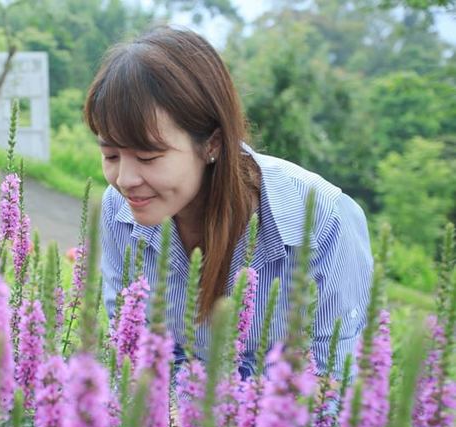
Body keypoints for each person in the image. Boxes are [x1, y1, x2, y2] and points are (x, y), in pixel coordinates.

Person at [84, 26, 374, 381]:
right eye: (111, 154)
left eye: (147, 156)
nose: (125, 179)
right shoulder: (118, 210)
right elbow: (132, 351)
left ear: (213, 144)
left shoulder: (323, 219)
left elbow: (335, 379)